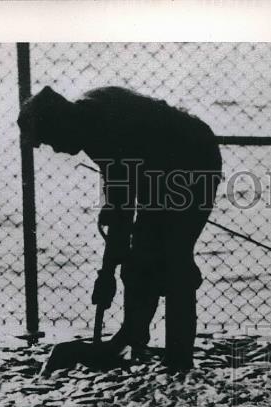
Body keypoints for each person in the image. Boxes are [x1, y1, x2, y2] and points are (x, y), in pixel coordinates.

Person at [18, 85, 222, 370]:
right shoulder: (87, 121)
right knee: (140, 255)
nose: (56, 149)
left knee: (176, 258)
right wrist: (112, 266)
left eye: (51, 139)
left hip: (194, 157)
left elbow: (121, 217)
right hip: (158, 166)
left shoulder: (103, 130)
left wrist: (106, 274)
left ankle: (179, 361)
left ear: (61, 121)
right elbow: (121, 204)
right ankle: (133, 336)